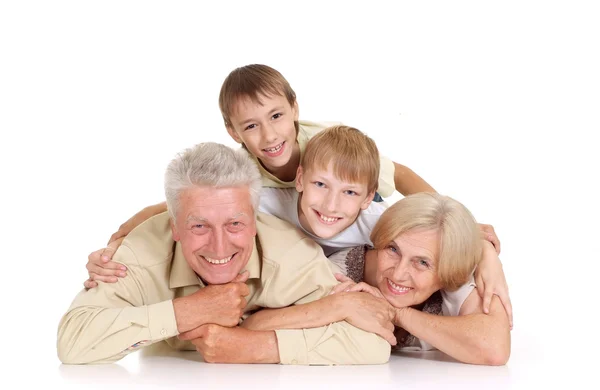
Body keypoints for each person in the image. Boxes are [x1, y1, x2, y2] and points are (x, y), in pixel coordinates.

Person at [85, 64, 501, 269]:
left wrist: (457, 217)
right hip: (299, 224)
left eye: (277, 116)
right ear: (233, 132)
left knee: (385, 231)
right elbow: (177, 207)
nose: (269, 136)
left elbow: (402, 175)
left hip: (354, 211)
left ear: (295, 109)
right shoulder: (242, 169)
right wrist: (120, 235)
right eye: (251, 125)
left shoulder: (329, 146)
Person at [85, 124, 512, 324]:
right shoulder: (273, 201)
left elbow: (436, 221)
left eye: (348, 193)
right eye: (321, 185)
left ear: (367, 198)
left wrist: (485, 252)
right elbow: (177, 208)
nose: (330, 205)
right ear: (301, 179)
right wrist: (117, 242)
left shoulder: (381, 224)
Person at [57, 142, 391, 365]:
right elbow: (72, 342)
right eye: (199, 227)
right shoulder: (144, 251)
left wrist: (255, 346)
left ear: (256, 222)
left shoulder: (291, 255)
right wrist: (189, 311)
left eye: (234, 223)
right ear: (174, 226)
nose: (219, 247)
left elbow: (373, 342)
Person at [239, 192, 511, 365]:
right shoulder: (340, 272)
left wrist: (396, 313)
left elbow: (494, 348)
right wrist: (335, 306)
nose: (399, 273)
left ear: (446, 273)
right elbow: (255, 324)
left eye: (422, 263)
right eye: (393, 249)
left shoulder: (458, 274)